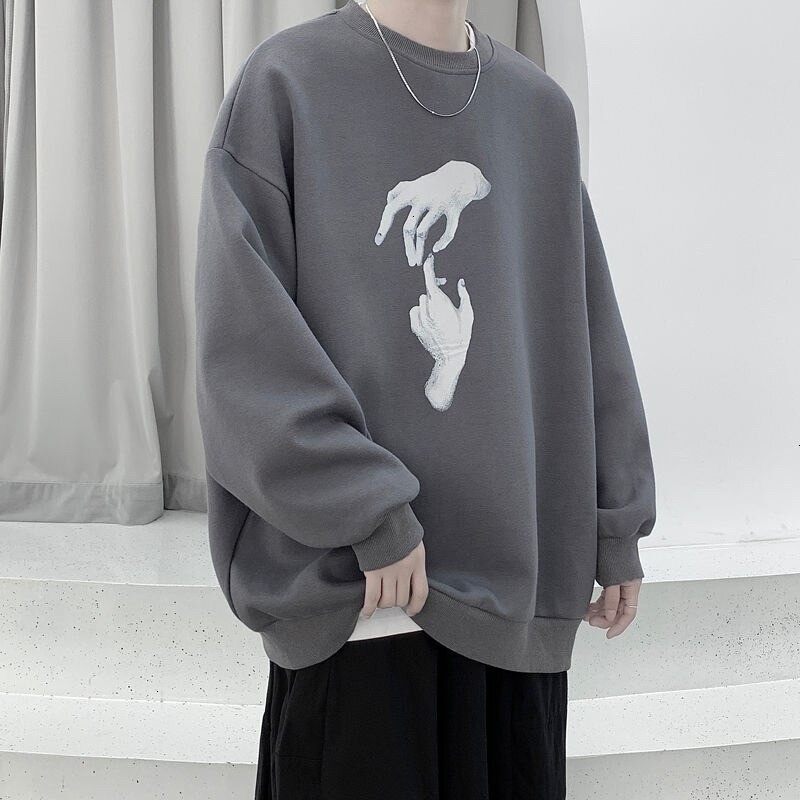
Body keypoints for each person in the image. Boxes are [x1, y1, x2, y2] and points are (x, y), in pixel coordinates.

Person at [194, 0, 657, 797]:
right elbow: (243, 347)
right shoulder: (288, 82)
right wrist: (366, 509)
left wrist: (614, 521)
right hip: (362, 606)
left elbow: (585, 325)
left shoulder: (537, 109)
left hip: (515, 605)